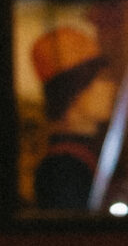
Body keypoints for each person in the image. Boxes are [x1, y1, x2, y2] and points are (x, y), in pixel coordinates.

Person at [29, 24, 118, 211]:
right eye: (101, 78)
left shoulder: (81, 154)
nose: (111, 87)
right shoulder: (63, 168)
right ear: (74, 91)